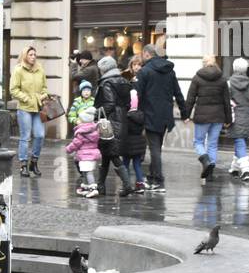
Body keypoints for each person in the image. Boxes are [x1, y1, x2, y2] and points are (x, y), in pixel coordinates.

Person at [135, 43, 186, 193]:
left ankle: (158, 180)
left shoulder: (144, 71)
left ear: (146, 54)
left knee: (154, 148)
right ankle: (152, 177)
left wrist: (133, 112)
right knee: (157, 147)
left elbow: (137, 94)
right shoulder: (169, 71)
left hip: (150, 114)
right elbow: (178, 93)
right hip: (165, 115)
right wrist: (184, 113)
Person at [185, 55, 233, 182]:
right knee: (212, 144)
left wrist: (186, 115)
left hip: (202, 116)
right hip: (218, 117)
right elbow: (226, 101)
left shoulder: (197, 78)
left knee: (198, 142)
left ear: (204, 64)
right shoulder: (222, 79)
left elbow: (190, 98)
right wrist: (228, 119)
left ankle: (205, 160)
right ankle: (210, 173)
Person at [93, 55, 135, 197]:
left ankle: (127, 185)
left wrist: (96, 114)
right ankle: (100, 186)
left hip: (109, 122)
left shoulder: (107, 83)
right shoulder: (124, 81)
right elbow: (128, 104)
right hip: (121, 119)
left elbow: (109, 104)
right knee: (107, 154)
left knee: (113, 154)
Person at [10, 46, 48, 178]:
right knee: (25, 137)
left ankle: (34, 162)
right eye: (30, 54)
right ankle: (23, 165)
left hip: (38, 108)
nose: (33, 57)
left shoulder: (40, 69)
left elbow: (44, 88)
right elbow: (13, 89)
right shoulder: (18, 70)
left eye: (34, 54)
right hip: (25, 108)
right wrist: (26, 98)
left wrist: (43, 96)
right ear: (25, 56)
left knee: (40, 135)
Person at [65, 105, 102, 198]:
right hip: (92, 155)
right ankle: (86, 187)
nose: (78, 121)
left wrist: (68, 149)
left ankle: (93, 188)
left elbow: (75, 143)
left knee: (88, 172)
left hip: (85, 156)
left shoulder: (81, 133)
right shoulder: (94, 129)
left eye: (80, 119)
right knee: (85, 172)